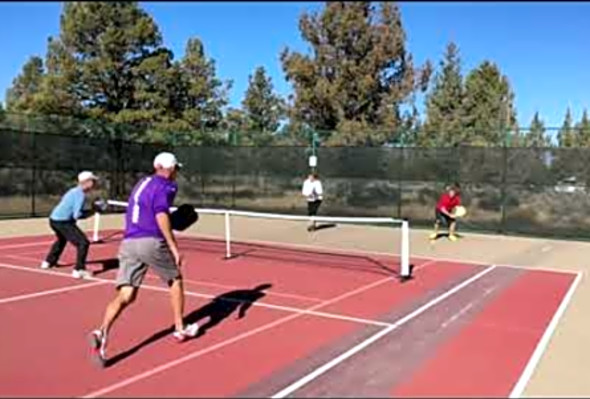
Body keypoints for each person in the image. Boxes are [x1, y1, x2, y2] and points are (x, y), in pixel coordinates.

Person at [89, 152, 198, 366]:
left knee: (126, 295)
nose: (177, 172)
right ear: (169, 168)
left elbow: (140, 209)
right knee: (175, 280)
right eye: (176, 168)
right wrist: (174, 247)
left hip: (129, 241)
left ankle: (101, 332)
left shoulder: (142, 182)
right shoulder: (167, 186)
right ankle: (179, 328)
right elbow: (160, 215)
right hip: (151, 240)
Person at [40, 171, 99, 279]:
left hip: (54, 220)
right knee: (83, 243)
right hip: (63, 222)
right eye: (93, 181)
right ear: (88, 182)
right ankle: (79, 269)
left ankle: (48, 262)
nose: (95, 183)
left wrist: (92, 210)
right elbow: (78, 215)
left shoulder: (73, 191)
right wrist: (93, 211)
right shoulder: (80, 194)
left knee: (61, 240)